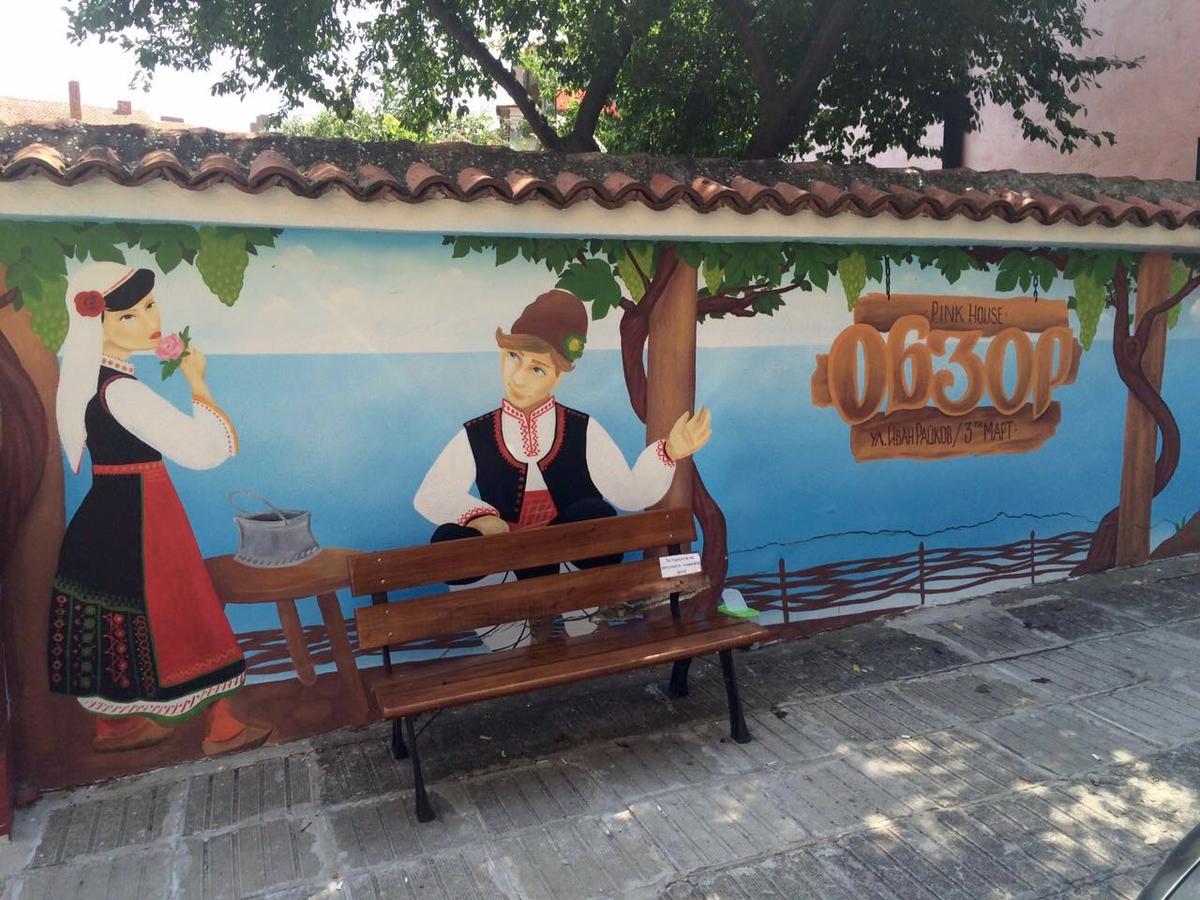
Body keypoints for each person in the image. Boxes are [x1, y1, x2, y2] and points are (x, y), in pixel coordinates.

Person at [49, 262, 270, 755]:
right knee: (184, 610)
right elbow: (202, 451)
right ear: (99, 325)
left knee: (119, 615)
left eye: (150, 305)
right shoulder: (121, 390)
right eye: (128, 316)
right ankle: (221, 728)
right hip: (145, 516)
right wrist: (197, 381)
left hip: (106, 515)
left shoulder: (92, 382)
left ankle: (118, 727)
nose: (149, 321)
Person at [414, 288, 712, 583]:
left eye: (537, 369)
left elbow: (629, 493)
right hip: (504, 564)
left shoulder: (581, 429)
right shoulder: (477, 434)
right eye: (513, 356)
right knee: (448, 541)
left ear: (559, 375)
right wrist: (482, 516)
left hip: (571, 565)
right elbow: (430, 496)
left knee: (594, 514)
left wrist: (669, 452)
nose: (518, 377)